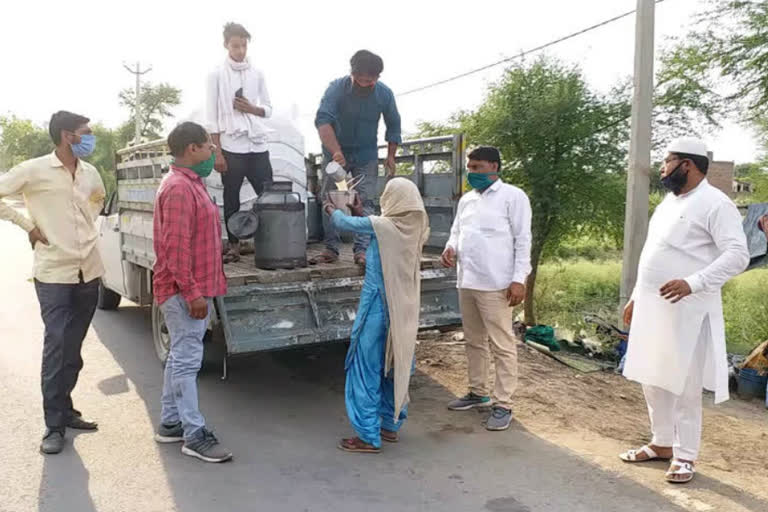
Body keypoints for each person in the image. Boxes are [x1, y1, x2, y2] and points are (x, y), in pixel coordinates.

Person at [619, 137, 749, 484]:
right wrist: (636, 295)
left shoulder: (715, 203)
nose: (662, 169)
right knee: (652, 376)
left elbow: (738, 255)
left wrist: (694, 282)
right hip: (652, 305)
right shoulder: (668, 202)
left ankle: (685, 454)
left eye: (667, 161)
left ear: (686, 165)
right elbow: (652, 253)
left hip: (687, 309)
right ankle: (661, 443)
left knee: (683, 383)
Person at [0, 111, 104, 454]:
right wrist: (27, 225)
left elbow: (97, 201)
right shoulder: (34, 170)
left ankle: (66, 409)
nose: (89, 137)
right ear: (66, 136)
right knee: (57, 345)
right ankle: (53, 426)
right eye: (84, 132)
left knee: (73, 350)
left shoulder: (90, 172)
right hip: (54, 274)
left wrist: (86, 226)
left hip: (89, 271)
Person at [323, 178, 429, 453]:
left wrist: (331, 209)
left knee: (365, 366)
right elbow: (378, 226)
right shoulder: (417, 228)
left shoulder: (384, 226)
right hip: (403, 310)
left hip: (378, 307)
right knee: (395, 364)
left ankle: (368, 435)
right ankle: (390, 426)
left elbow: (345, 226)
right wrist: (360, 212)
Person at [152, 122, 232, 463]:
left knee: (180, 355)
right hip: (184, 290)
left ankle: (171, 422)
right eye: (208, 147)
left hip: (191, 287)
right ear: (191, 150)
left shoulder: (192, 183)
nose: (212, 153)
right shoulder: (179, 189)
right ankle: (193, 433)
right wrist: (192, 293)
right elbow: (175, 249)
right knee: (187, 360)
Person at [441, 146, 532, 432]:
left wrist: (520, 279)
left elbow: (523, 240)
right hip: (468, 280)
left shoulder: (513, 197)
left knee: (502, 345)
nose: (471, 173)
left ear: (494, 166)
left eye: (477, 167)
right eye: (469, 167)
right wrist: (450, 246)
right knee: (474, 340)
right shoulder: (467, 200)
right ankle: (477, 392)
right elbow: (457, 231)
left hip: (498, 284)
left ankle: (503, 403)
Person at [312, 49, 402, 267]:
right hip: (336, 155)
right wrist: (335, 151)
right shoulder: (336, 89)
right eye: (359, 80)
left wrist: (391, 156)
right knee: (332, 199)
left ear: (377, 78)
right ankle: (331, 248)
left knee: (366, 200)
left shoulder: (385, 94)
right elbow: (323, 121)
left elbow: (394, 125)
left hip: (366, 155)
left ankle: (361, 250)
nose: (363, 85)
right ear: (352, 73)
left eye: (369, 82)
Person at [206, 22, 274, 264]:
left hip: (257, 143)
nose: (240, 50)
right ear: (226, 45)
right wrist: (218, 153)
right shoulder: (215, 74)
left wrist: (251, 108)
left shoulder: (257, 73)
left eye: (244, 45)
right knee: (232, 195)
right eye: (236, 46)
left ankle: (271, 241)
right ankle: (234, 246)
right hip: (231, 144)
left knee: (268, 195)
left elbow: (268, 108)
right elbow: (211, 117)